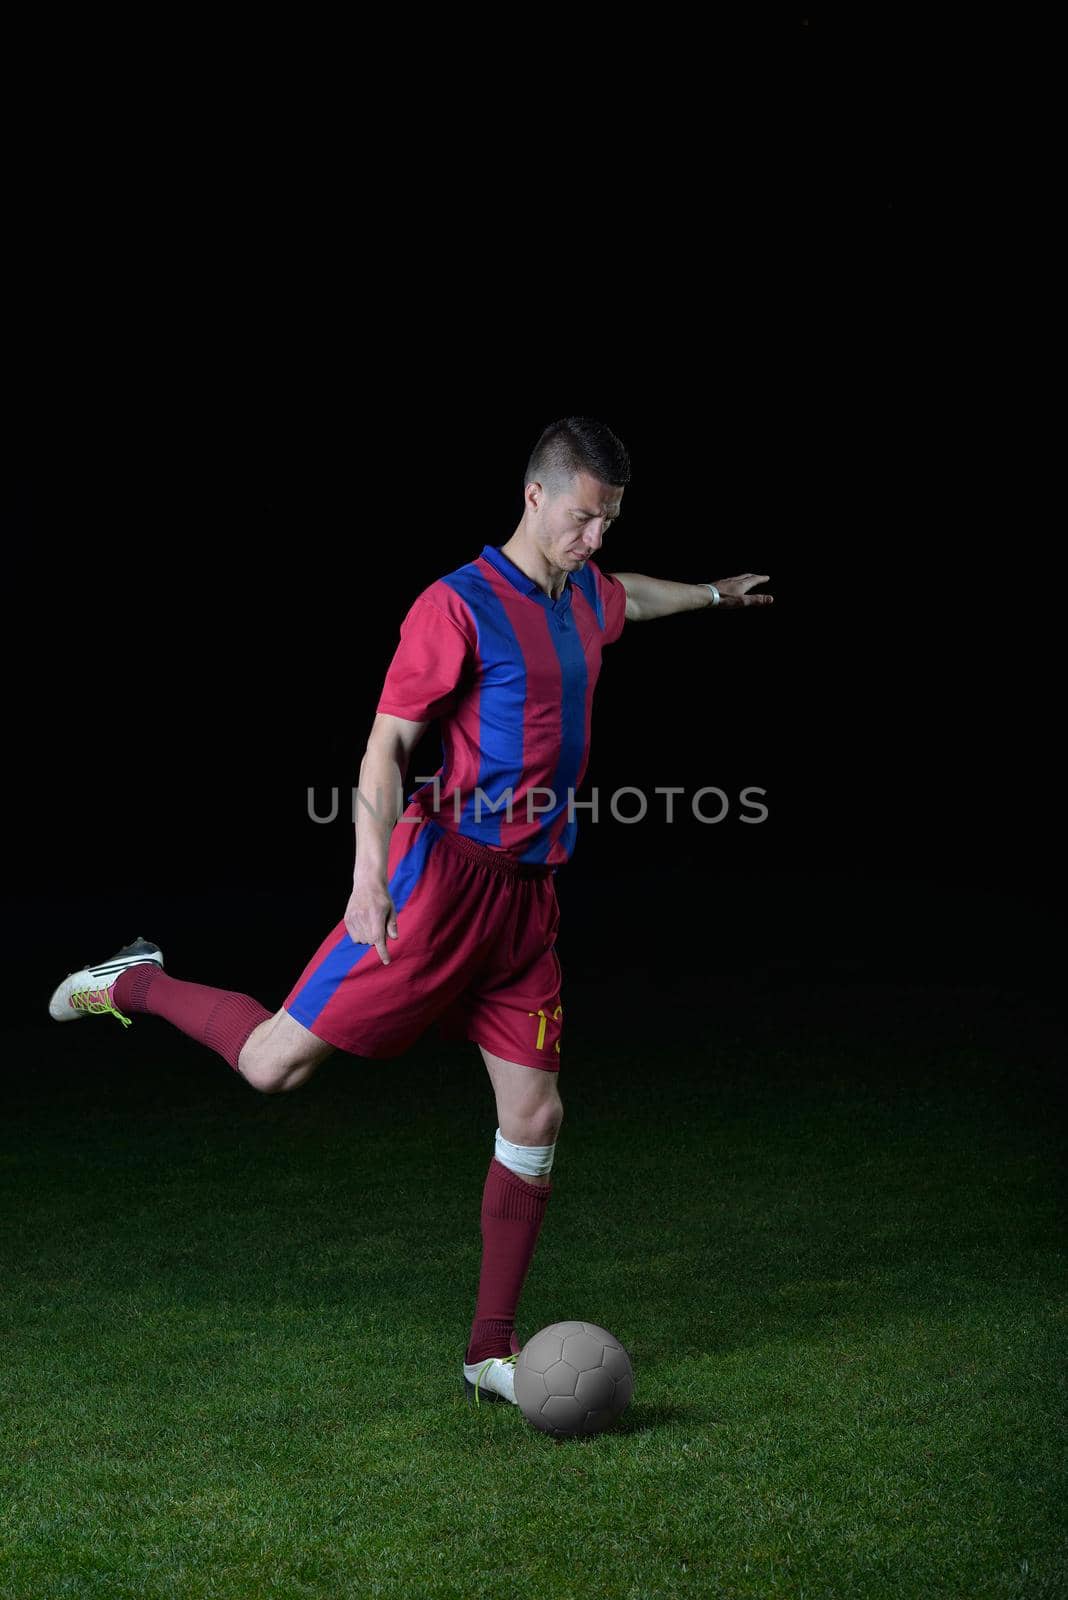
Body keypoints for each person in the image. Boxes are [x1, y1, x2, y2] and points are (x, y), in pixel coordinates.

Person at [47, 416, 773, 1409]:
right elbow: (386, 749)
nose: (595, 539)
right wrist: (368, 876)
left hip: (527, 908)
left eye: (608, 523)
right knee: (271, 1065)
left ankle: (489, 1351)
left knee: (536, 1114)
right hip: (438, 888)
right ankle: (128, 976)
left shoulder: (582, 593)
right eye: (582, 519)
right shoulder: (459, 603)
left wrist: (711, 594)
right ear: (535, 496)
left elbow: (626, 600)